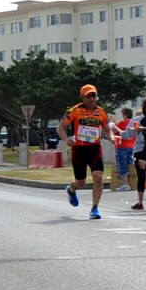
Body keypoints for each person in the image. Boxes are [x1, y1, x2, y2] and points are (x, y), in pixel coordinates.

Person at [61, 85, 112, 219]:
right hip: (79, 149)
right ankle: (71, 190)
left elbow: (107, 129)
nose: (91, 99)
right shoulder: (74, 111)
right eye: (88, 96)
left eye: (93, 96)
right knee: (81, 183)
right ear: (82, 97)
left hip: (94, 148)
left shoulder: (101, 112)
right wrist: (66, 139)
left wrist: (111, 137)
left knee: (98, 176)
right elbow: (60, 128)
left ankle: (95, 208)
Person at [111, 108, 138, 192]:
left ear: (125, 115)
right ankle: (133, 182)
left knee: (122, 164)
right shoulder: (133, 123)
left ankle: (125, 184)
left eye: (123, 115)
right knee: (130, 164)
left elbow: (115, 131)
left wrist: (113, 124)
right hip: (131, 146)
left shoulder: (123, 123)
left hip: (121, 146)